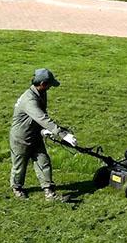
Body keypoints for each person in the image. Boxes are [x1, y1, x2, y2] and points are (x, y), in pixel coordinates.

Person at [9, 68, 77, 201]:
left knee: (43, 161)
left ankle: (49, 192)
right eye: (50, 84)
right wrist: (63, 134)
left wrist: (44, 130)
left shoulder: (41, 93)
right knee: (19, 166)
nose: (51, 87)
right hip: (21, 138)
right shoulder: (29, 100)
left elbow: (41, 117)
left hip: (35, 134)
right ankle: (17, 188)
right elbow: (42, 118)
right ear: (43, 83)